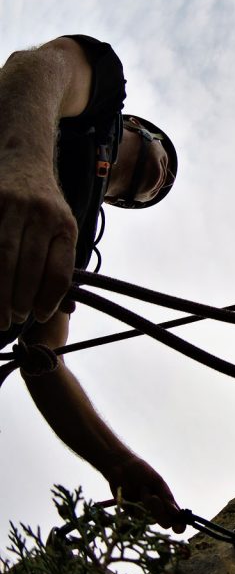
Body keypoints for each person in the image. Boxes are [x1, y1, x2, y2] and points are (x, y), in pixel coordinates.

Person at [0, 35, 183, 531]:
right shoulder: (101, 100)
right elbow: (37, 68)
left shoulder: (73, 245)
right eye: (167, 158)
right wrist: (24, 163)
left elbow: (43, 359)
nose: (164, 177)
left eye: (163, 189)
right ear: (137, 126)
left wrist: (116, 463)